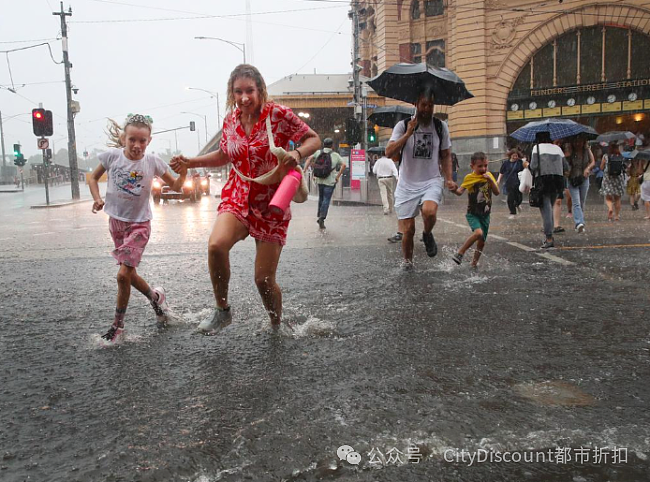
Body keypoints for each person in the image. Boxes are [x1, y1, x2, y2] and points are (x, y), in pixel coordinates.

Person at [170, 64, 320, 332]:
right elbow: (224, 154)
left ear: (260, 90)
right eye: (238, 92)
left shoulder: (278, 115)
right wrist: (190, 162)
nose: (244, 98)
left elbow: (313, 139)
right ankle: (222, 310)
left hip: (273, 201)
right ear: (232, 93)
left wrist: (296, 155)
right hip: (238, 195)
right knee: (216, 246)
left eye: (249, 91)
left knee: (263, 280)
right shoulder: (230, 120)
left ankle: (276, 323)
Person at [88, 114, 187, 344]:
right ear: (124, 138)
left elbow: (176, 186)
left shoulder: (152, 161)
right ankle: (156, 298)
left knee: (123, 275)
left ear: (149, 141)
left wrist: (183, 172)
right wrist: (96, 199)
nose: (137, 145)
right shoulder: (112, 157)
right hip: (116, 223)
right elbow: (93, 178)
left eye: (142, 141)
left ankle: (117, 327)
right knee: (129, 274)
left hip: (140, 224)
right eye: (132, 139)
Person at [385, 87, 456, 268]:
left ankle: (427, 233)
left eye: (431, 105)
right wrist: (408, 134)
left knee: (429, 211)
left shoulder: (440, 127)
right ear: (416, 104)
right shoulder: (402, 126)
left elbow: (446, 154)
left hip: (431, 180)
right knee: (408, 230)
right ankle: (408, 262)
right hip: (407, 183)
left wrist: (448, 178)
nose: (427, 109)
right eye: (424, 105)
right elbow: (389, 152)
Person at [451, 152, 500, 267]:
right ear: (472, 166)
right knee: (478, 233)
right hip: (473, 213)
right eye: (480, 166)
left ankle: (474, 263)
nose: (483, 169)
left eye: (485, 165)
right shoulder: (469, 178)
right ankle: (460, 253)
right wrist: (454, 189)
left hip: (485, 214)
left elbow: (497, 192)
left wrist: (491, 181)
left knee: (482, 242)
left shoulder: (489, 176)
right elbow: (459, 192)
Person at [529, 131, 567, 249]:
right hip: (558, 180)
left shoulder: (537, 148)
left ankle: (549, 238)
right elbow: (566, 167)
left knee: (546, 210)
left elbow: (533, 166)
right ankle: (549, 234)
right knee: (549, 207)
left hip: (543, 180)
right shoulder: (557, 149)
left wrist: (526, 165)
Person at [304, 138, 346, 229]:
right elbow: (344, 165)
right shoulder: (335, 155)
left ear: (324, 144)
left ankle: (319, 215)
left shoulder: (318, 153)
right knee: (326, 199)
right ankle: (322, 218)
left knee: (321, 198)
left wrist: (304, 170)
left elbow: (309, 159)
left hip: (320, 180)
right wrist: (338, 176)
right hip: (330, 181)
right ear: (332, 145)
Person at [566, 135, 595, 232]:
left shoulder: (587, 150)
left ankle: (579, 222)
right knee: (576, 202)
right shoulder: (570, 151)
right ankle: (579, 222)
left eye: (580, 141)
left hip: (584, 179)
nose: (578, 144)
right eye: (576, 142)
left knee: (581, 202)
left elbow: (593, 162)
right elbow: (566, 162)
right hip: (572, 179)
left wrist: (588, 168)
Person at [496, 149, 527, 219]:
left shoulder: (520, 162)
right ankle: (513, 212)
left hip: (518, 183)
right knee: (510, 199)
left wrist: (525, 162)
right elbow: (501, 172)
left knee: (519, 197)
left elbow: (525, 170)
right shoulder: (505, 163)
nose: (515, 157)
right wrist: (498, 180)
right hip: (509, 183)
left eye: (516, 156)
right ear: (510, 156)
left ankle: (518, 204)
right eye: (514, 156)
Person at [600, 141, 626, 221]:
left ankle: (610, 208)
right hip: (619, 178)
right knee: (617, 198)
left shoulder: (606, 156)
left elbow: (601, 167)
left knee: (608, 197)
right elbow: (624, 167)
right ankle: (617, 216)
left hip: (608, 178)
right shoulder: (621, 156)